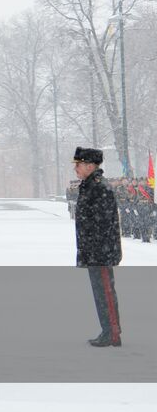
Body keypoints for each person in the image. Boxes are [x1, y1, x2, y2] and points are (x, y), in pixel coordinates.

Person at [72, 147, 121, 347]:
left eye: (79, 165)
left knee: (105, 293)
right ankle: (108, 330)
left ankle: (112, 334)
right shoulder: (90, 185)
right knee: (100, 293)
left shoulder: (99, 187)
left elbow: (104, 223)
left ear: (90, 166)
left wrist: (96, 250)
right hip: (93, 250)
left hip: (100, 252)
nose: (75, 169)